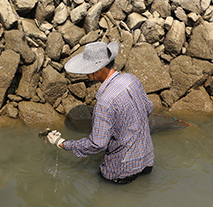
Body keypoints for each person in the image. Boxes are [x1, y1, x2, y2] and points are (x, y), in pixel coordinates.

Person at [47, 41, 154, 184]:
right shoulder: (131, 79)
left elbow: (97, 144)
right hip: (146, 159)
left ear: (100, 69)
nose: (85, 74)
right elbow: (148, 107)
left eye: (89, 69)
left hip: (121, 170)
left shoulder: (104, 102)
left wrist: (63, 144)